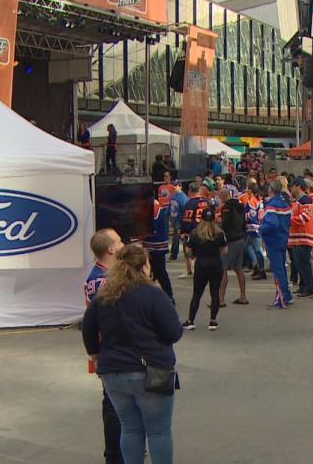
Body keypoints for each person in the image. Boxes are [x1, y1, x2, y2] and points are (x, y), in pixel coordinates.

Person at [81, 244, 183, 464]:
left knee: (129, 428)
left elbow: (87, 328)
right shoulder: (154, 295)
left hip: (113, 374)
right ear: (145, 266)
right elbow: (174, 332)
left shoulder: (103, 297)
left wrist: (96, 355)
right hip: (152, 372)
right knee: (159, 431)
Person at [84, 228, 126, 464]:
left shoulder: (104, 276)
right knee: (114, 405)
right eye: (119, 242)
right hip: (112, 351)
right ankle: (115, 455)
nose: (123, 244)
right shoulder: (103, 281)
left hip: (111, 351)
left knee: (116, 403)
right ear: (110, 249)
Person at [183, 207, 227, 331]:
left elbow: (188, 250)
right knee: (214, 293)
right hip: (215, 264)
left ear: (201, 218)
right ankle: (213, 321)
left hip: (201, 264)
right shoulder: (219, 233)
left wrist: (193, 255)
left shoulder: (195, 233)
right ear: (214, 219)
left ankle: (191, 320)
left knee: (197, 293)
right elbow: (224, 250)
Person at [260, 181, 293, 309]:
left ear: (271, 190)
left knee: (278, 271)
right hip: (283, 238)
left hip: (273, 240)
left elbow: (272, 224)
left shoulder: (271, 205)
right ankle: (287, 295)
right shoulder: (285, 203)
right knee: (282, 269)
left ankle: (281, 299)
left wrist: (261, 228)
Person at [288, 178, 313, 298]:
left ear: (298, 187)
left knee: (304, 264)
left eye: (292, 186)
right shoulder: (298, 201)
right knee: (299, 264)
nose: (291, 188)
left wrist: (288, 219)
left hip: (304, 236)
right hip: (297, 237)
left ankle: (310, 289)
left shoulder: (306, 200)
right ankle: (303, 286)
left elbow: (304, 218)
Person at [142, 192, 174, 303]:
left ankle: (169, 296)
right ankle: (162, 295)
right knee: (153, 272)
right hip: (154, 244)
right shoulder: (151, 206)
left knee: (158, 272)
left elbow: (151, 227)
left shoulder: (153, 207)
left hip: (156, 245)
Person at [219, 188, 249, 305]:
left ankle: (220, 299)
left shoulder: (227, 207)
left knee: (223, 268)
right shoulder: (239, 204)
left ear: (223, 196)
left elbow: (225, 224)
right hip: (240, 238)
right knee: (238, 268)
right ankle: (243, 296)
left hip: (230, 240)